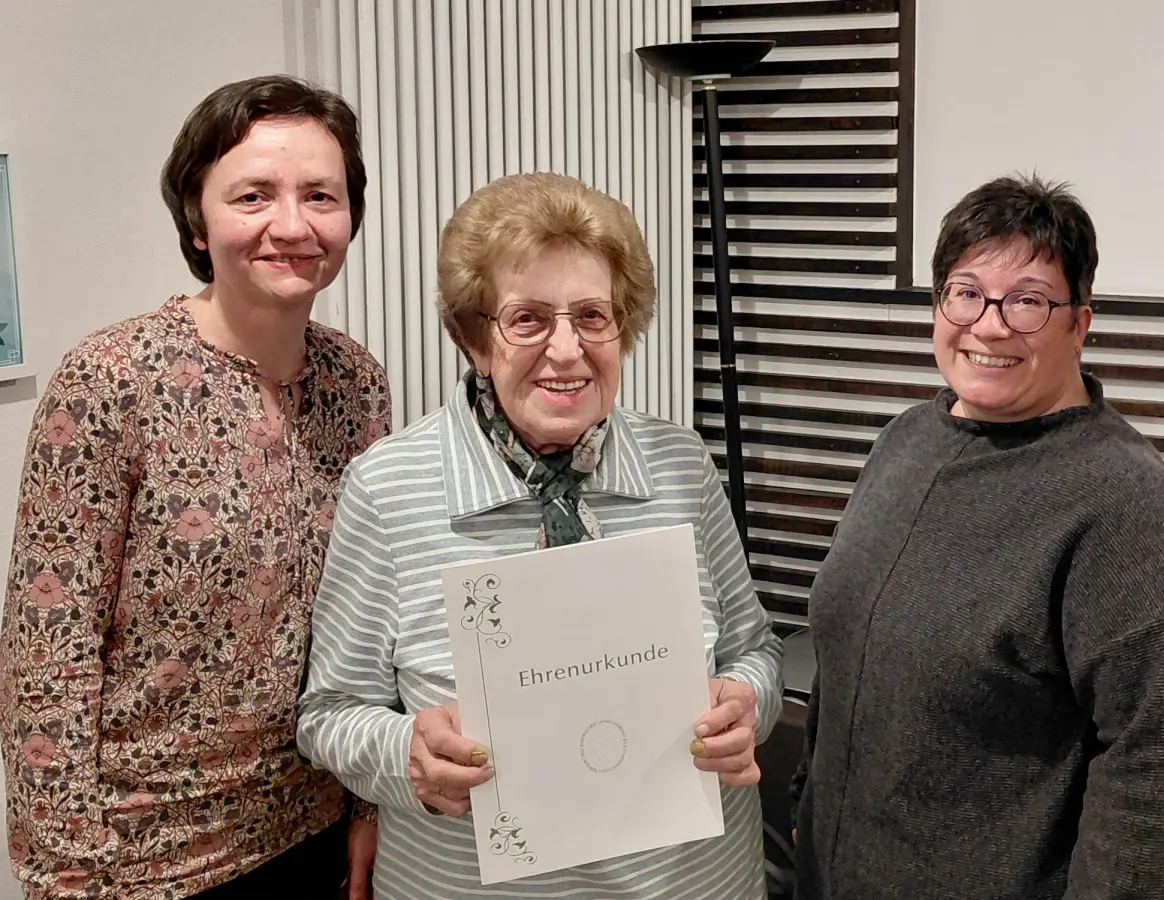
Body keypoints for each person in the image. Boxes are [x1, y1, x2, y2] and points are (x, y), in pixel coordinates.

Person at [296, 171, 783, 899]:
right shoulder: (389, 487)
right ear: (473, 336)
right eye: (527, 319)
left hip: (693, 882)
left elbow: (755, 652)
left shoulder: (681, 464)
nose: (566, 351)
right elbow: (329, 714)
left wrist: (747, 703)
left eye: (593, 316)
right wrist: (409, 755)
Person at [1, 76, 390, 898]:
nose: (291, 225)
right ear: (195, 217)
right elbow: (47, 653)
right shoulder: (111, 382)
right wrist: (67, 869)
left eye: (321, 195)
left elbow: (368, 615)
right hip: (143, 859)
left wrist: (366, 803)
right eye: (253, 195)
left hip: (311, 823)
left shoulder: (357, 382)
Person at [788, 174, 1164, 900]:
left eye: (1027, 301)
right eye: (966, 293)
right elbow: (845, 649)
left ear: (1078, 324)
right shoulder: (905, 441)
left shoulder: (1122, 509)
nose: (989, 326)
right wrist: (806, 796)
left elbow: (1154, 763)